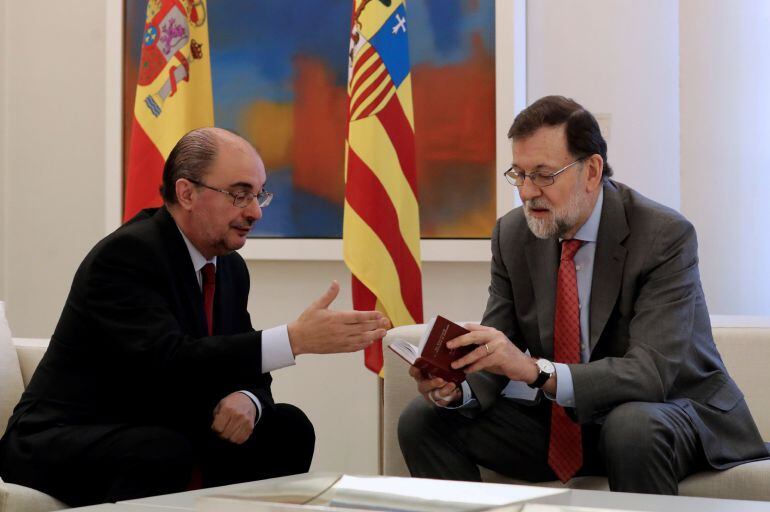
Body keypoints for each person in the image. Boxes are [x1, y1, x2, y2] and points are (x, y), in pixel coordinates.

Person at [0, 127, 390, 507]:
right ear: (187, 192)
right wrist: (295, 340)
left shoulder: (230, 268)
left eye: (259, 195)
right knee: (162, 450)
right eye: (240, 195)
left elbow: (244, 363)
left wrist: (249, 398)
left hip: (161, 425)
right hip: (69, 435)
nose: (254, 212)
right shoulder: (127, 256)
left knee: (286, 428)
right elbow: (169, 362)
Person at [398, 96, 768, 495]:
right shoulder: (513, 235)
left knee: (631, 427)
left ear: (591, 171)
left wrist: (535, 370)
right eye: (518, 174)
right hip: (568, 424)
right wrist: (458, 387)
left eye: (543, 175)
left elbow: (651, 374)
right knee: (424, 419)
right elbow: (498, 345)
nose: (526, 192)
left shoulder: (663, 236)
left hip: (671, 412)